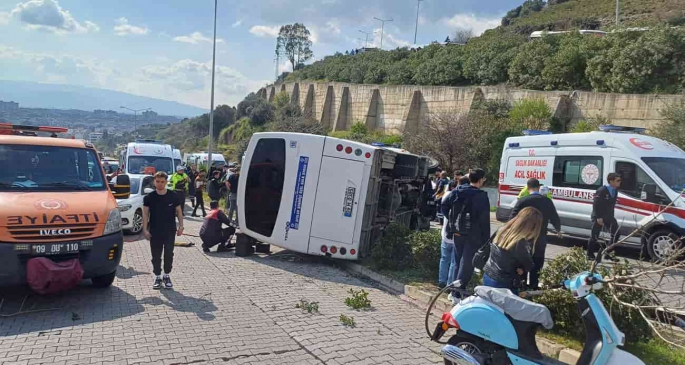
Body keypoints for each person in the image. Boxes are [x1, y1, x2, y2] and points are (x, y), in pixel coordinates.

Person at [509, 178, 561, 289]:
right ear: (538, 188)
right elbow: (554, 217)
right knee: (537, 262)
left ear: (527, 188)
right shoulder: (547, 201)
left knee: (522, 260)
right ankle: (533, 285)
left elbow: (512, 217)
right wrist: (558, 230)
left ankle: (522, 285)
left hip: (524, 237)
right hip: (540, 236)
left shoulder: (523, 201)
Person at [444, 168, 491, 290]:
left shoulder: (458, 191)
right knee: (467, 264)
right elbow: (484, 221)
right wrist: (486, 240)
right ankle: (457, 292)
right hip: (473, 234)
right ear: (480, 180)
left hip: (457, 231)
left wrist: (451, 220)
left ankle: (453, 289)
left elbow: (444, 204)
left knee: (457, 262)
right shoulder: (481, 196)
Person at [483, 206, 542, 294]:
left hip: (488, 274)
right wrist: (522, 269)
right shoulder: (519, 242)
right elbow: (529, 265)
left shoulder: (502, 230)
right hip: (504, 283)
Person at [143, 171, 183, 290]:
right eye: (158, 181)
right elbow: (145, 215)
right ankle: (158, 276)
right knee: (156, 255)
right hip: (155, 231)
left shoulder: (173, 195)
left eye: (162, 182)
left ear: (166, 182)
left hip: (170, 230)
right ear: (154, 182)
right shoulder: (149, 197)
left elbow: (179, 212)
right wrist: (145, 230)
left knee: (169, 254)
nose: (160, 184)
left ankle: (166, 275)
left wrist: (181, 226)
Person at [587, 173, 622, 261]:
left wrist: (611, 216)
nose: (620, 182)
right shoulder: (602, 190)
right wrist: (598, 217)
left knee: (616, 233)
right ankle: (589, 254)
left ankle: (608, 253)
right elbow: (596, 204)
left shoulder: (615, 190)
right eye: (618, 180)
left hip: (609, 216)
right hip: (599, 216)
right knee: (595, 235)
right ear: (611, 181)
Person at [437, 180, 459, 289]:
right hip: (456, 238)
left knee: (444, 259)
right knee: (453, 263)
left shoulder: (446, 199)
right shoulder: (459, 202)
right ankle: (449, 285)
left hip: (445, 236)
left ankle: (441, 281)